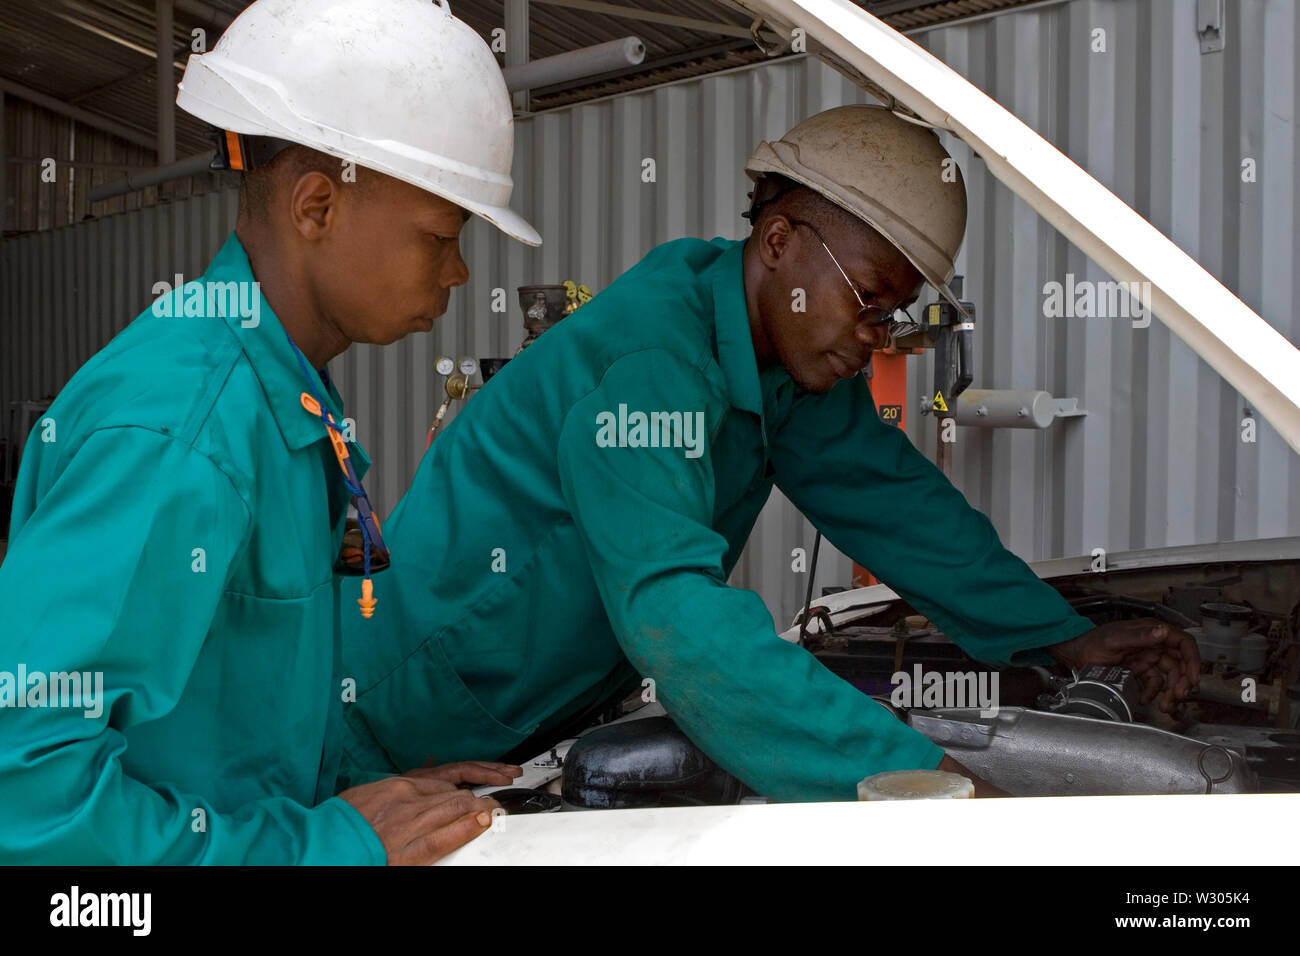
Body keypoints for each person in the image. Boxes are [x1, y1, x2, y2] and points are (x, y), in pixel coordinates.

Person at [339, 105, 1200, 801]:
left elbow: (900, 505)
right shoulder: (654, 364)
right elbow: (675, 615)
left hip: (531, 715)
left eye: (892, 316)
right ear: (781, 243)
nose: (875, 338)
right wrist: (911, 782)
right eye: (868, 300)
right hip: (389, 729)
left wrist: (1058, 637)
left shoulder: (783, 362)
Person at [0, 0, 535, 864]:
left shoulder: (278, 397)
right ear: (317, 207)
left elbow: (234, 723)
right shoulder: (183, 431)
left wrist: (373, 793)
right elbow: (23, 794)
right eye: (441, 236)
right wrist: (325, 848)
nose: (460, 271)